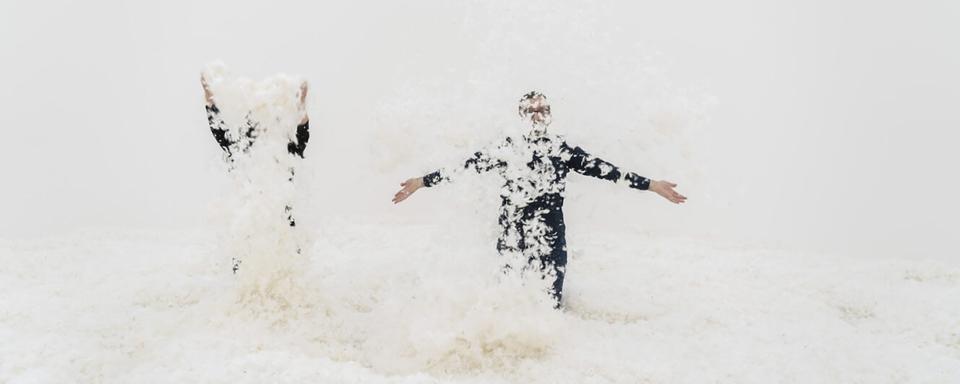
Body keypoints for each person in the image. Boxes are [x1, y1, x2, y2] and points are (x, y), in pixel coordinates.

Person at [392, 91, 686, 307]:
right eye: (531, 110)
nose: (538, 114)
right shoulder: (507, 147)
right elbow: (466, 166)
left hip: (551, 233)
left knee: (551, 303)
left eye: (543, 109)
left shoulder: (561, 149)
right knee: (509, 300)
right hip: (513, 231)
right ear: (521, 116)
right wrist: (422, 182)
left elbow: (605, 170)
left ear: (550, 114)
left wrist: (651, 185)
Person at [201, 74, 310, 273]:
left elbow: (302, 131)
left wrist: (301, 100)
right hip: (249, 237)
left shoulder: (285, 153)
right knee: (248, 285)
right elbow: (218, 129)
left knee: (288, 280)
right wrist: (208, 93)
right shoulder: (242, 155)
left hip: (282, 234)